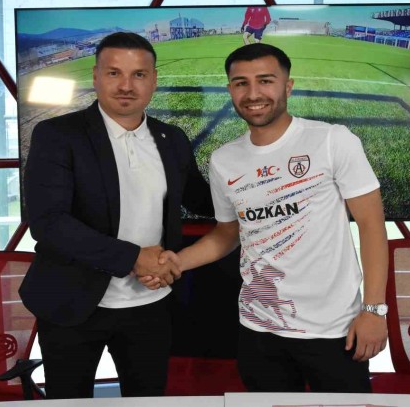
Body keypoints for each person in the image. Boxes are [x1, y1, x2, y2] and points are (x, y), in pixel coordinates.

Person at [142, 43, 388, 393]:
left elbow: (372, 226)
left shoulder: (332, 140)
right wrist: (175, 262)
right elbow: (227, 234)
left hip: (334, 329)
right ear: (230, 90)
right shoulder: (224, 160)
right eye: (241, 83)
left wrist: (374, 311)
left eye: (266, 81)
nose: (253, 93)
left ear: (288, 86)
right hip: (258, 330)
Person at [19, 32, 213, 399]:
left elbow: (202, 200)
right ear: (96, 76)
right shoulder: (59, 135)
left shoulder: (171, 138)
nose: (126, 85)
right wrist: (134, 258)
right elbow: (49, 223)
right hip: (73, 303)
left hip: (150, 305)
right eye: (114, 73)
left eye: (139, 74)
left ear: (154, 80)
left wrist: (258, 183)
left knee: (147, 401)